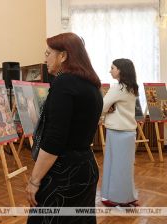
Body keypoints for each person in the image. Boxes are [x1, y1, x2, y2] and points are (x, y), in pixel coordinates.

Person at [26, 32, 103, 224]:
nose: (45, 58)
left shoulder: (64, 83)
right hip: (85, 167)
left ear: (63, 56)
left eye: (48, 53)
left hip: (63, 173)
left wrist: (34, 180)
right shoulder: (92, 85)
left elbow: (54, 140)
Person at [101, 58, 139, 207]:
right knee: (126, 167)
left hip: (116, 131)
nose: (110, 70)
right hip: (129, 132)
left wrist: (109, 108)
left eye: (112, 68)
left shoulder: (117, 88)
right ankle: (127, 197)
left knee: (114, 165)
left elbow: (102, 107)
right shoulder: (131, 88)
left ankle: (114, 198)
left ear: (120, 70)